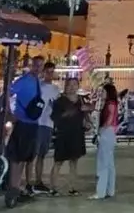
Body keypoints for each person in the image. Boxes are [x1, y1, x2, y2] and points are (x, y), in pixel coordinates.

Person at [5, 55, 46, 208]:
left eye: (41, 65)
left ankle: (17, 188)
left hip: (31, 124)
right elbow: (8, 92)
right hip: (23, 123)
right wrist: (10, 112)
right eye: (36, 65)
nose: (38, 68)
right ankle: (13, 190)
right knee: (17, 158)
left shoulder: (36, 81)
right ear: (32, 65)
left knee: (23, 158)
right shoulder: (24, 80)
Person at [50, 78, 89, 196]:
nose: (72, 87)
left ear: (78, 86)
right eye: (69, 85)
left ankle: (72, 187)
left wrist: (86, 122)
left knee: (74, 162)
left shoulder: (81, 100)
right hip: (63, 134)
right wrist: (66, 115)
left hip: (77, 134)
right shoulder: (59, 101)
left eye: (74, 85)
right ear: (65, 86)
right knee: (58, 161)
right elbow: (54, 117)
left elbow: (85, 116)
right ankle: (53, 188)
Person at [31, 62, 62, 195]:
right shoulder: (38, 85)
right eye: (48, 72)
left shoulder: (56, 89)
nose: (50, 74)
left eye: (52, 72)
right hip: (37, 122)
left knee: (42, 155)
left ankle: (38, 181)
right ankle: (29, 181)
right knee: (33, 154)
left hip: (48, 124)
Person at [90, 83, 119, 200]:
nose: (101, 93)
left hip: (106, 132)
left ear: (108, 92)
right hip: (110, 133)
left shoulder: (110, 104)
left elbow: (110, 118)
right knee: (109, 164)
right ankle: (110, 190)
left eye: (103, 91)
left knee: (102, 164)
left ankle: (100, 192)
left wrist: (101, 132)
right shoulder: (114, 103)